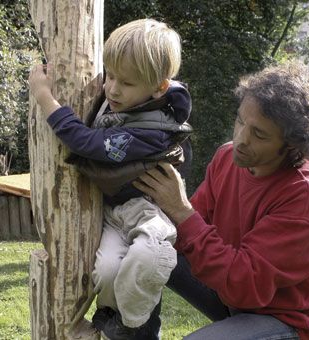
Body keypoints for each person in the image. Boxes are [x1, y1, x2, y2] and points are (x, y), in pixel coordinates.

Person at [133, 60, 309, 340]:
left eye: (259, 134)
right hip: (234, 294)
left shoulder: (307, 194)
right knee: (148, 244)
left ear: (291, 146)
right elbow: (189, 233)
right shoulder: (226, 158)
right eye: (241, 121)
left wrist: (180, 210)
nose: (240, 139)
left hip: (286, 321)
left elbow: (244, 281)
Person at [28, 19, 192, 340]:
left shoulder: (151, 131)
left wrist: (46, 97)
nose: (113, 88)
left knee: (147, 258)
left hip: (148, 214)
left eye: (126, 83)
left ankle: (133, 325)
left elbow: (88, 144)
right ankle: (112, 318)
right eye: (111, 75)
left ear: (159, 87)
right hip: (115, 217)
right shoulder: (125, 103)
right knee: (105, 271)